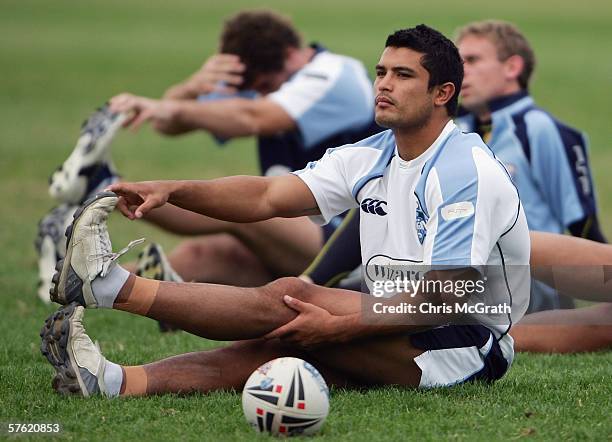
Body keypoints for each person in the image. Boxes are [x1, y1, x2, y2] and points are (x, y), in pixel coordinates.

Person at [41, 25, 531, 397]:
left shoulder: (464, 168)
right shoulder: (373, 153)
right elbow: (266, 198)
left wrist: (338, 326)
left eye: (404, 76)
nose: (384, 84)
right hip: (403, 316)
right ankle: (112, 382)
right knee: (276, 347)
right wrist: (174, 189)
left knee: (293, 299)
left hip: (469, 340)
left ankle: (109, 286)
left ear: (442, 93)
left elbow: (442, 299)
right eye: (381, 71)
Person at [40, 10, 380, 302]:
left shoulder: (337, 75)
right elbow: (170, 125)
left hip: (348, 239)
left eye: (263, 86)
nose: (261, 91)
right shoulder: (272, 80)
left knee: (240, 208)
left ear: (291, 54)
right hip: (296, 231)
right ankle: (81, 278)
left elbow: (254, 116)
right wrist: (191, 88)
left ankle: (103, 187)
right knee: (201, 256)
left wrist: (166, 104)